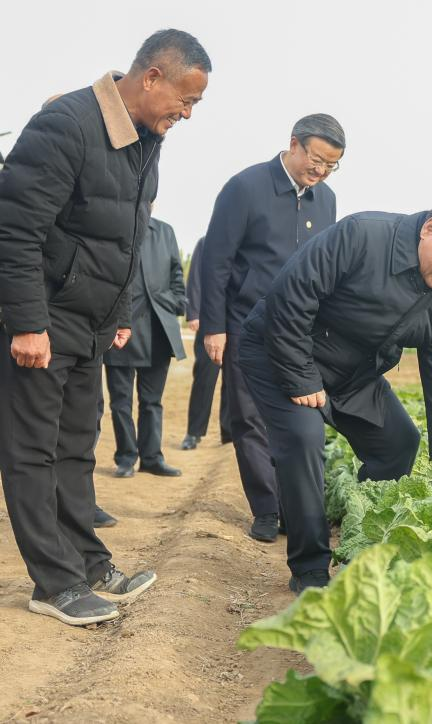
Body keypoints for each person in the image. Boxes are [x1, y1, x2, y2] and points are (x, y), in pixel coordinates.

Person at [0, 29, 211, 626]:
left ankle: (90, 562)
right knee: (32, 453)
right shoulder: (66, 124)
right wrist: (26, 323)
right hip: (44, 320)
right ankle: (53, 583)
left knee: (75, 448)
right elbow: (15, 231)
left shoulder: (147, 137)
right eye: (185, 100)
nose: (187, 114)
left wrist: (117, 317)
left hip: (91, 325)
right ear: (152, 79)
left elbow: (128, 237)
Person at [239, 196, 432, 593]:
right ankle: (309, 567)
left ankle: (366, 540)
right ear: (430, 228)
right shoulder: (363, 235)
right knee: (303, 439)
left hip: (355, 373)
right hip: (282, 350)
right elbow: (291, 296)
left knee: (399, 443)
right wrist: (303, 378)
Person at [200, 114, 344, 543]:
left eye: (331, 165)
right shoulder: (245, 187)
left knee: (299, 419)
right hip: (246, 324)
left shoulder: (327, 200)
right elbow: (216, 261)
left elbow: (328, 268)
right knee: (249, 419)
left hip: (301, 332)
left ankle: (293, 506)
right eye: (316, 159)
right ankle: (266, 509)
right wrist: (214, 326)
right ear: (294, 144)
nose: (320, 171)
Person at [103, 213, 187, 478]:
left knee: (152, 401)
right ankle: (126, 457)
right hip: (120, 329)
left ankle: (151, 457)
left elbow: (176, 272)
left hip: (157, 329)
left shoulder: (165, 231)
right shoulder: (113, 226)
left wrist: (174, 301)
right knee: (121, 402)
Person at [181, 236, 231, 450]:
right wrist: (193, 313)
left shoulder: (250, 240)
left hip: (238, 322)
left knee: (234, 382)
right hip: (211, 322)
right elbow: (195, 278)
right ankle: (194, 433)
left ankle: (229, 433)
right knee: (204, 378)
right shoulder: (206, 241)